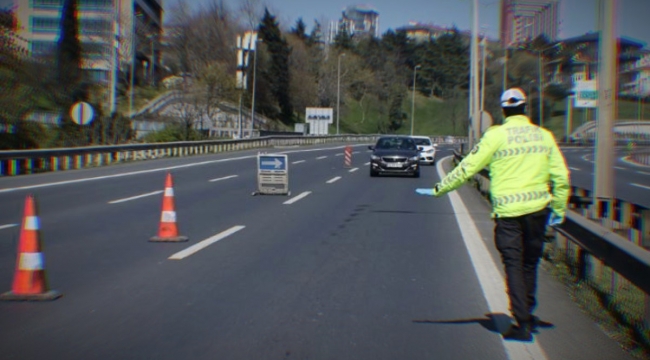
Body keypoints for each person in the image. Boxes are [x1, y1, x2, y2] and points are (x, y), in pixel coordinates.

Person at [415, 87, 570, 341]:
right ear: (525, 108)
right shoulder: (544, 136)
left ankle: (521, 321)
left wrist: (439, 189)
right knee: (530, 263)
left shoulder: (496, 135)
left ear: (503, 110)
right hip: (538, 212)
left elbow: (467, 167)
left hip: (508, 213)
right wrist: (559, 207)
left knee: (513, 265)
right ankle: (528, 313)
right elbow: (561, 175)